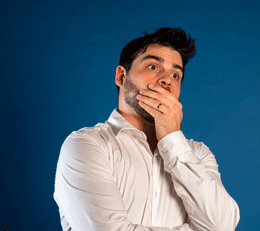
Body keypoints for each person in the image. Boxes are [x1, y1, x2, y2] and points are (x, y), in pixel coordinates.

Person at [53, 27, 240, 231]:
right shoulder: (86, 145)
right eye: (153, 67)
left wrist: (172, 138)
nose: (167, 80)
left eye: (176, 75)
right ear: (121, 77)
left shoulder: (198, 154)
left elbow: (223, 227)